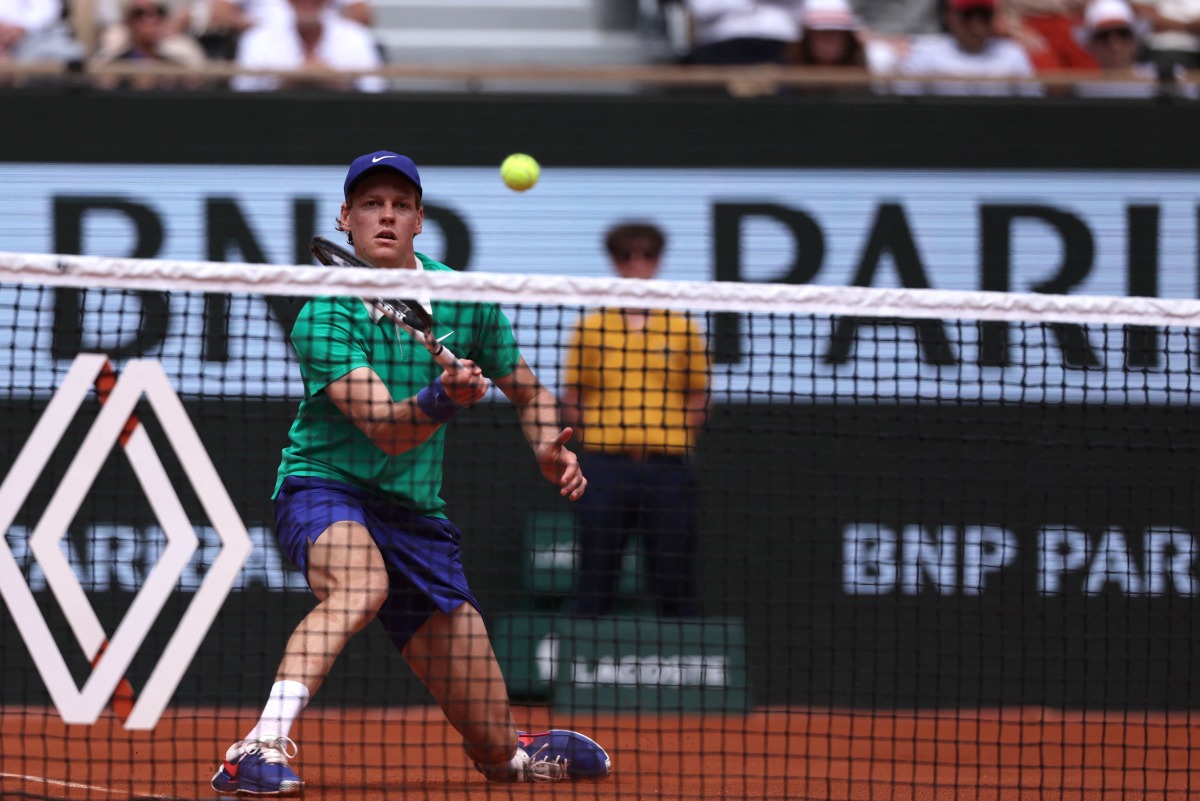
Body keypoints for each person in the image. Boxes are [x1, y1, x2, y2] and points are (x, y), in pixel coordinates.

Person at [209, 151, 612, 796]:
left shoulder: (463, 297)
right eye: (372, 204)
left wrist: (544, 446)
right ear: (346, 218)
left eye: (401, 204)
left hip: (416, 513)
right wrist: (445, 398)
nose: (387, 216)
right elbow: (387, 432)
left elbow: (532, 394)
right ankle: (256, 746)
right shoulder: (327, 313)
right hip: (325, 485)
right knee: (360, 585)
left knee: (496, 757)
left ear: (420, 219)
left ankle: (515, 749)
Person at [561, 222, 709, 620]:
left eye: (647, 256)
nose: (637, 265)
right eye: (627, 256)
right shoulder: (591, 327)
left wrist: (671, 434)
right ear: (615, 261)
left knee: (674, 573)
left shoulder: (682, 327)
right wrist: (601, 436)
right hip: (606, 467)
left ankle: (686, 669)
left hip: (668, 468)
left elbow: (699, 393)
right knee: (596, 573)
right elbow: (573, 394)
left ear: (659, 261)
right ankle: (583, 667)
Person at [230, 0, 383, 92]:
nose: (308, 2)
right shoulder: (257, 39)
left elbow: (375, 90)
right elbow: (243, 93)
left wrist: (338, 84)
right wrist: (286, 82)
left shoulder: (355, 37)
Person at [894, 0, 1041, 94]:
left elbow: (1033, 108)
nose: (977, 26)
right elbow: (907, 112)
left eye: (984, 15)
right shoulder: (924, 53)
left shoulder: (1012, 54)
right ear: (950, 15)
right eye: (968, 15)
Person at [89, 0, 208, 89]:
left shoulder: (177, 68)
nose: (150, 20)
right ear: (128, 21)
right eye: (139, 14)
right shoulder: (114, 68)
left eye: (158, 13)